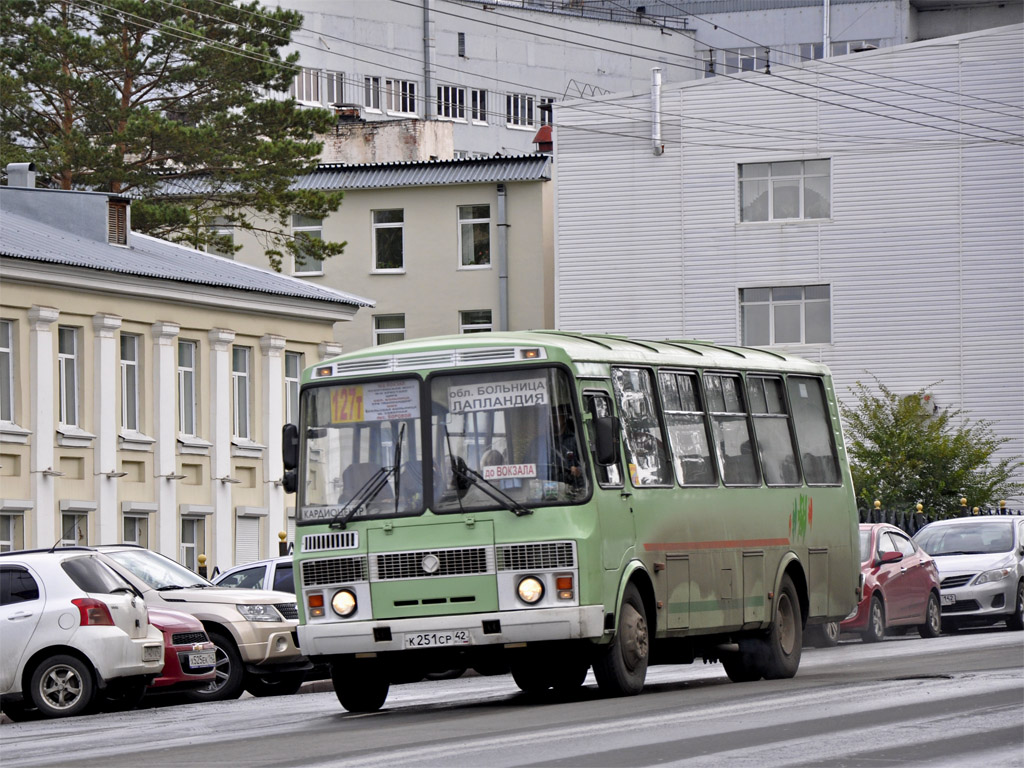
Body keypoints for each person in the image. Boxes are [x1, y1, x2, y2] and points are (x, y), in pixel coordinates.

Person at [533, 404, 583, 486]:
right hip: (543, 490)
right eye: (550, 416)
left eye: (556, 415)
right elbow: (527, 466)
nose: (553, 419)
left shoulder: (576, 441)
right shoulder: (538, 443)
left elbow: (587, 467)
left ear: (564, 417)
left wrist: (578, 470)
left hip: (572, 490)